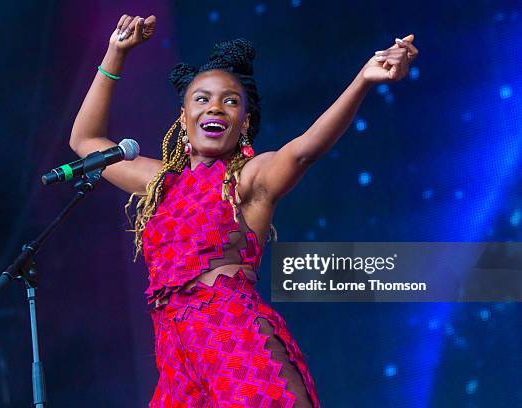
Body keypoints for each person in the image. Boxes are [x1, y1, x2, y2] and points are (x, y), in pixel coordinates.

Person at [69, 13, 418, 408]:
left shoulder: (248, 179)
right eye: (201, 99)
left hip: (234, 341)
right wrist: (116, 52)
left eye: (230, 101)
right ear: (183, 119)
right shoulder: (159, 182)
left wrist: (363, 80)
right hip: (176, 358)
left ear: (244, 122)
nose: (215, 107)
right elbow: (85, 140)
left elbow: (302, 152)